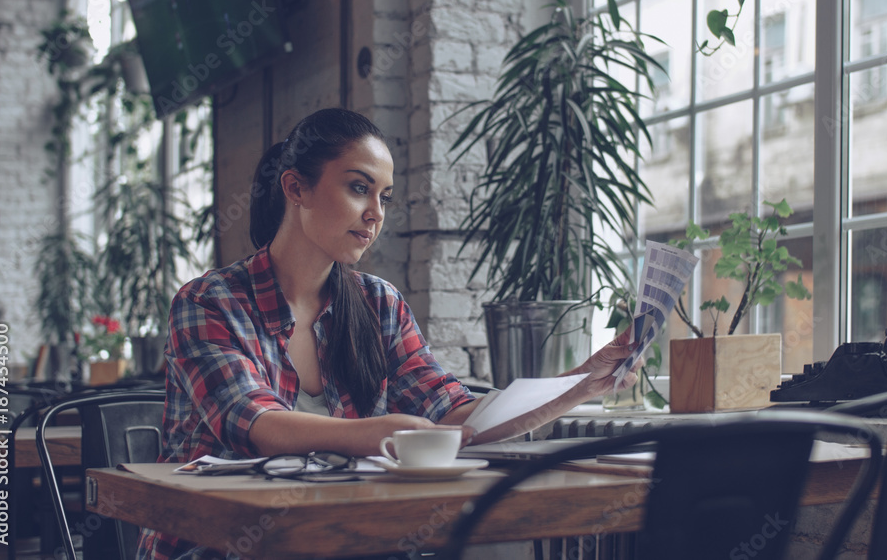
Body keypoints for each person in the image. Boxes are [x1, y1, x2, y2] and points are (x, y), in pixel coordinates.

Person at [136, 108, 642, 560]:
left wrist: (581, 384)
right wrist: (376, 435)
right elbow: (258, 424)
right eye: (359, 188)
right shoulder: (209, 301)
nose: (376, 213)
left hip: (340, 535)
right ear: (296, 188)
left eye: (384, 196)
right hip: (217, 545)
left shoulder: (379, 304)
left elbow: (459, 415)